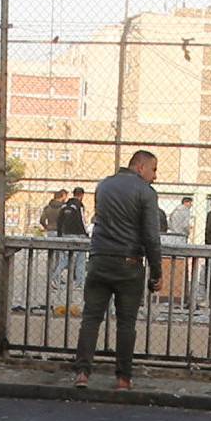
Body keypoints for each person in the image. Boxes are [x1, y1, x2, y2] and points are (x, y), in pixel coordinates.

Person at [73, 150, 162, 390]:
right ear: (140, 167)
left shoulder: (104, 186)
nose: (155, 176)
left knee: (91, 318)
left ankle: (82, 372)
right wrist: (156, 272)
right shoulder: (146, 192)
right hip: (129, 264)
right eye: (153, 170)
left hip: (99, 259)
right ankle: (123, 378)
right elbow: (152, 237)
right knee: (126, 323)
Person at [52, 186, 89, 315]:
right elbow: (83, 221)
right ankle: (79, 282)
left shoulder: (65, 206)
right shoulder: (79, 205)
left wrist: (60, 235)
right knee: (80, 260)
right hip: (79, 235)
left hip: (66, 234)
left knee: (65, 259)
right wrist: (86, 234)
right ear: (82, 195)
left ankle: (55, 277)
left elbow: (59, 221)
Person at [166, 193, 194, 304]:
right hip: (181, 237)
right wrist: (188, 232)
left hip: (173, 237)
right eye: (190, 203)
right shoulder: (185, 211)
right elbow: (185, 225)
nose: (191, 205)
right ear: (186, 202)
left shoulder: (175, 210)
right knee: (182, 266)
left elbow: (170, 224)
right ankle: (181, 296)